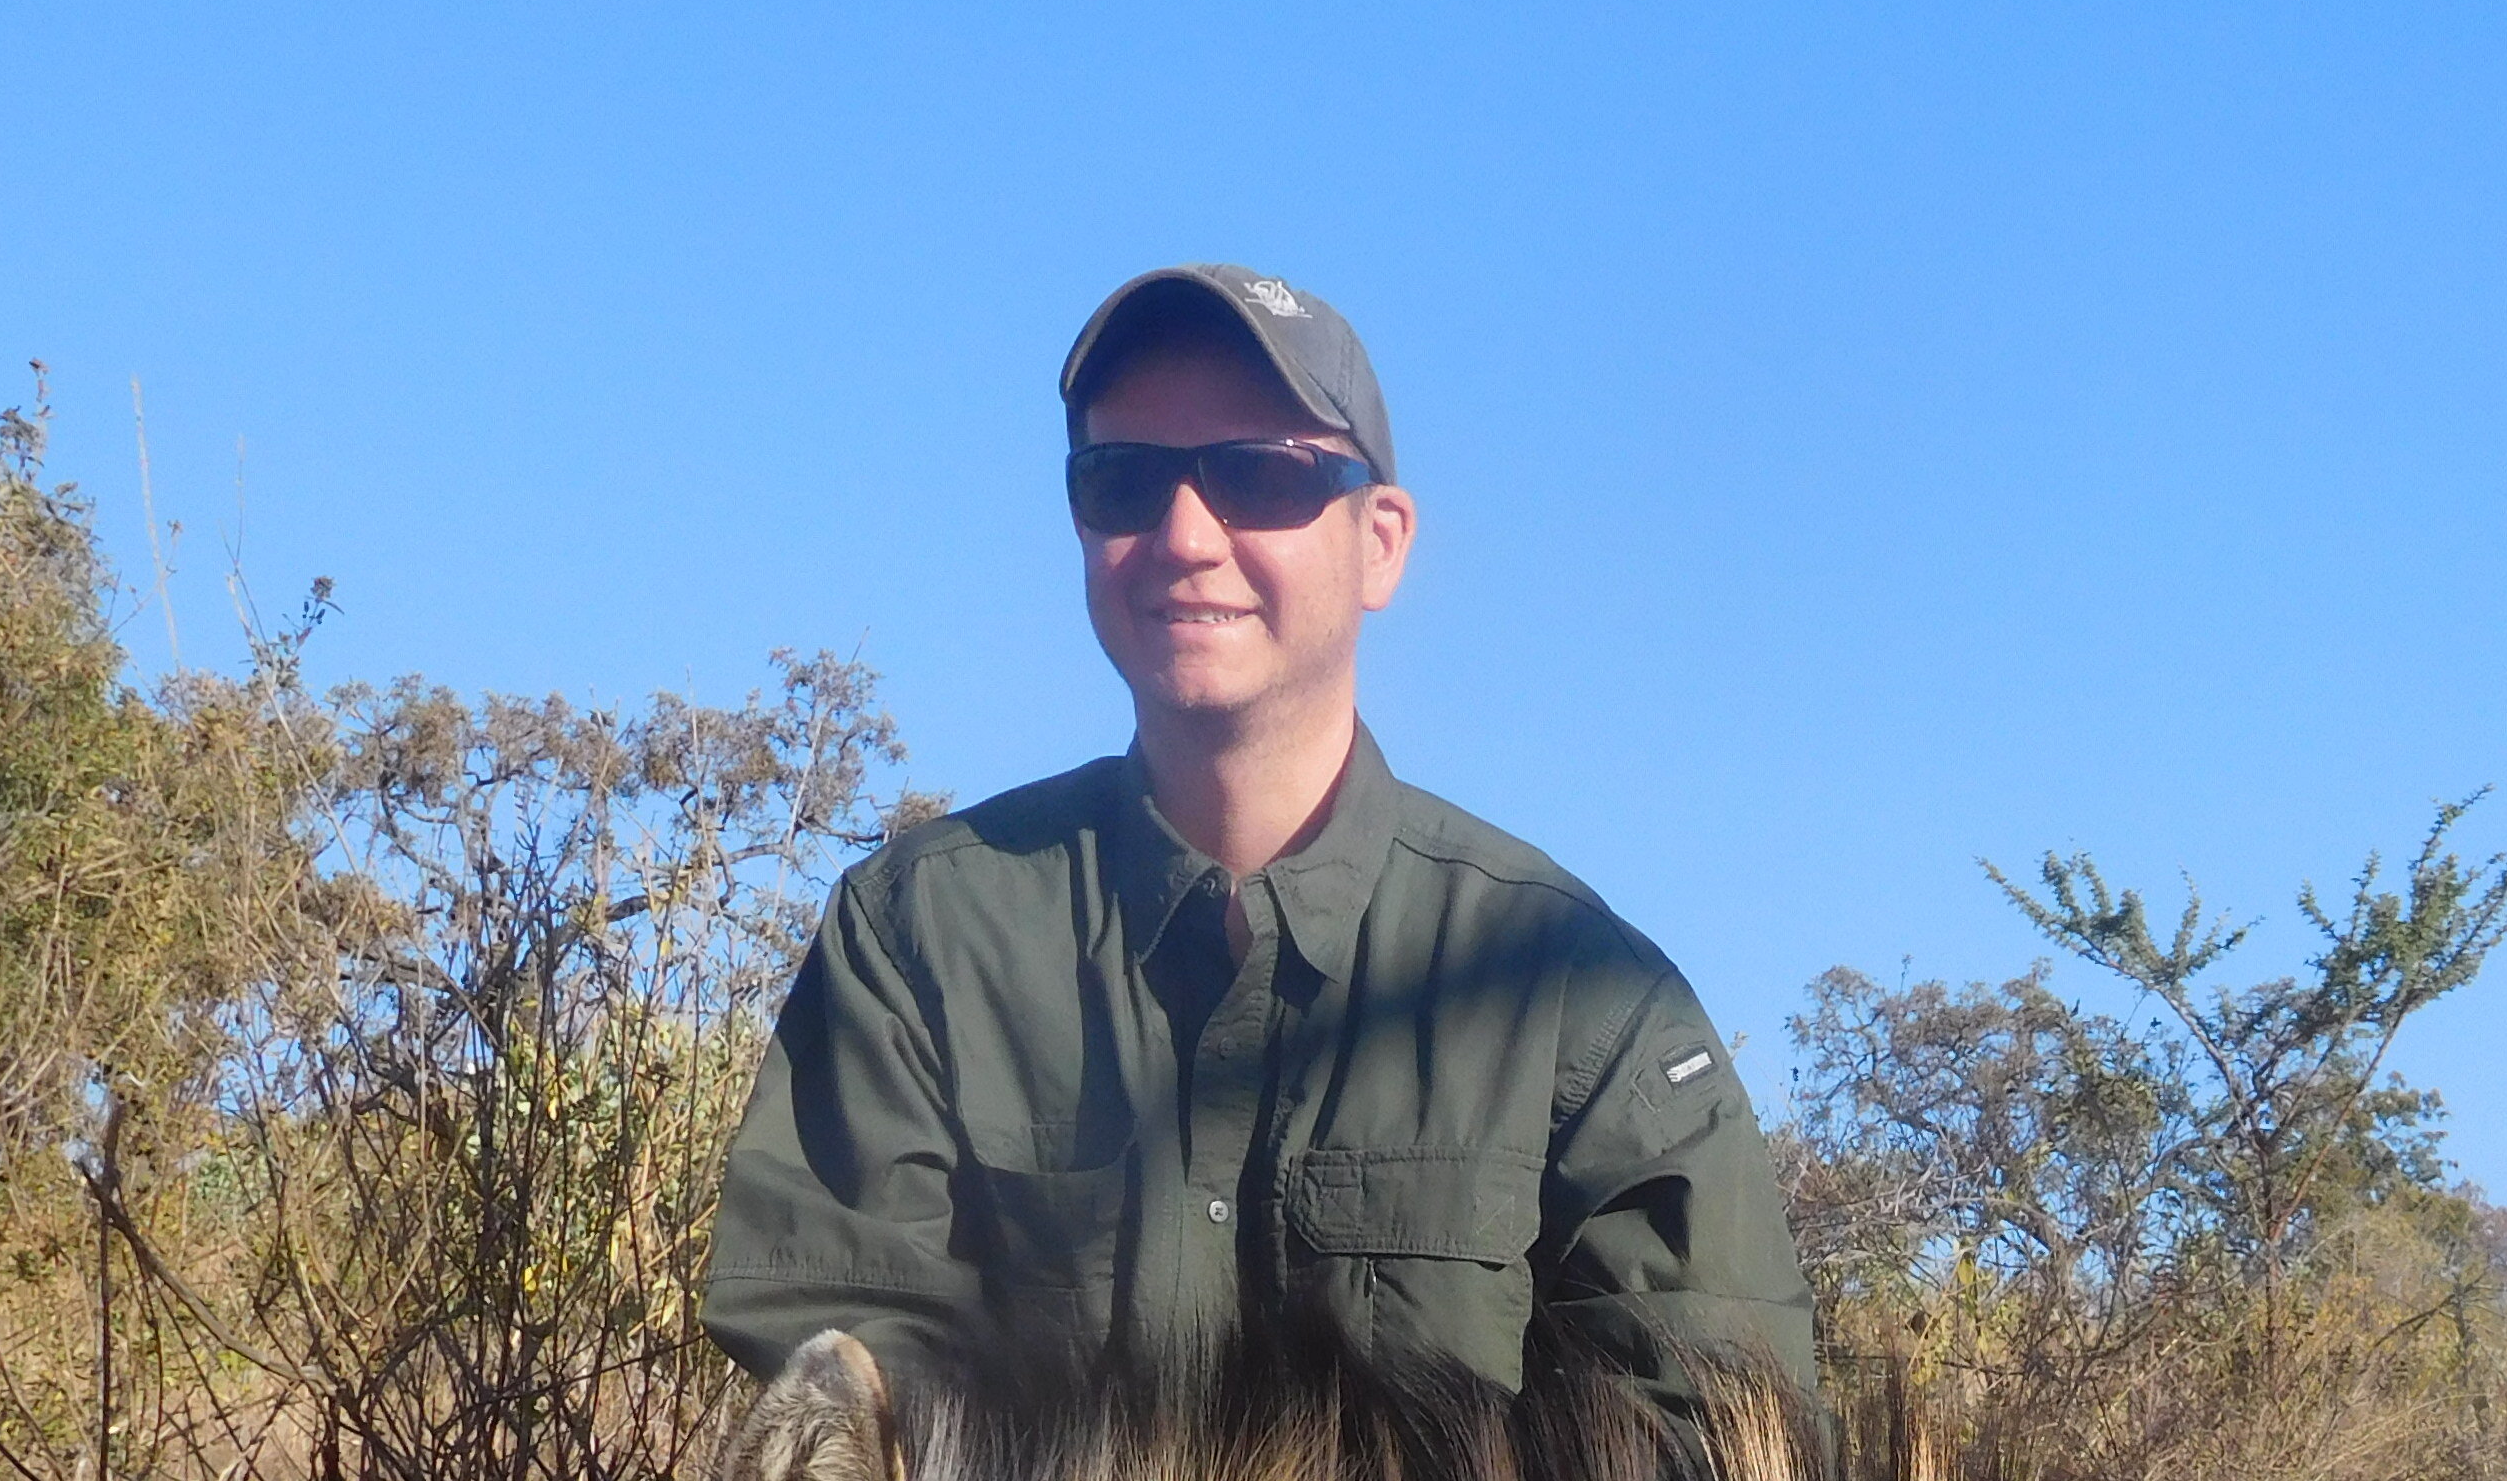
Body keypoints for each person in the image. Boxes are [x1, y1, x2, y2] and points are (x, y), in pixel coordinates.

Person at [699, 262, 1815, 1418]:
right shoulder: (917, 939)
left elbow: (1722, 1473)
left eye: (1259, 478)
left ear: (1381, 542)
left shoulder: (1583, 998)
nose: (1185, 535)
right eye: (1122, 481)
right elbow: (845, 1432)